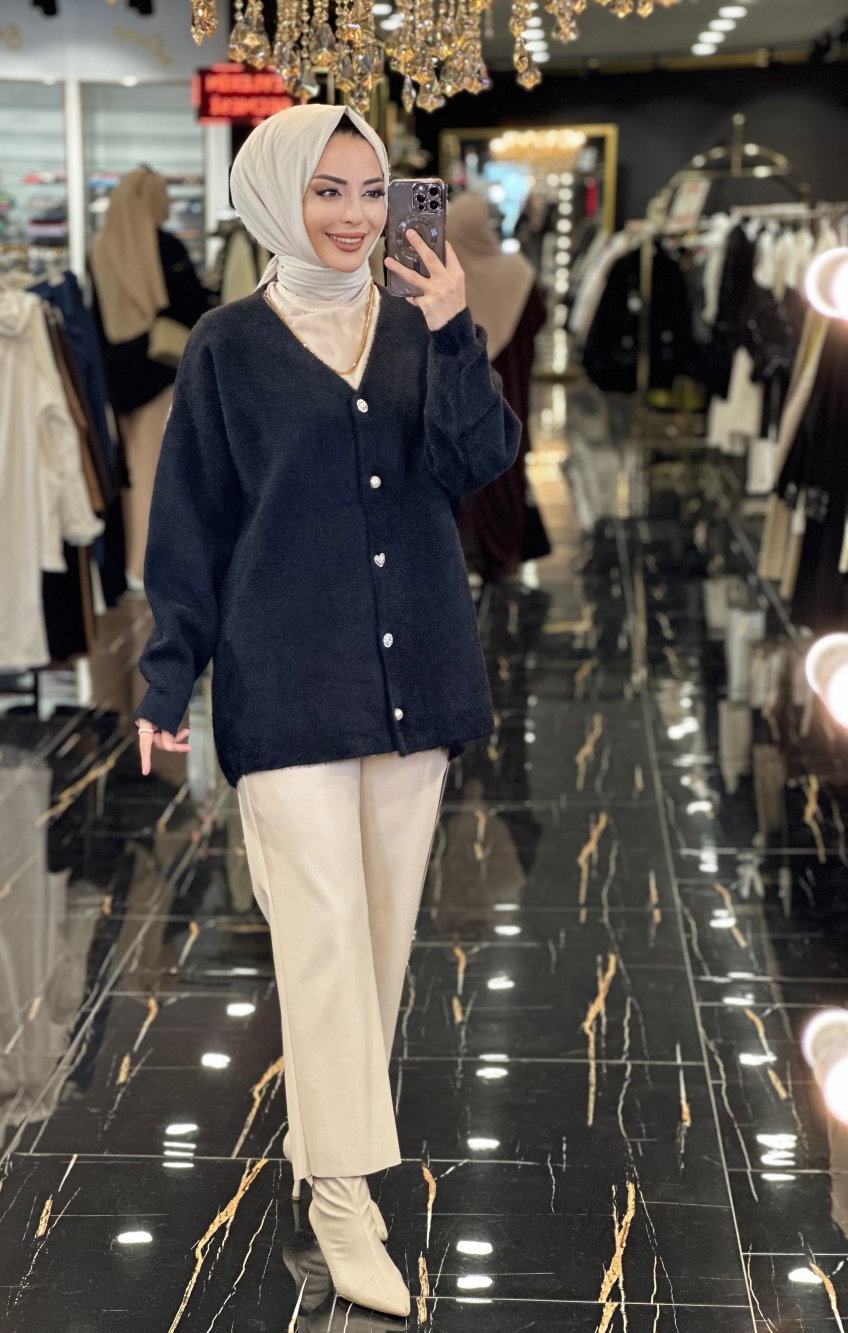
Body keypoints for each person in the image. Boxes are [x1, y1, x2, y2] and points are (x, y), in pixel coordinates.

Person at [133, 104, 520, 1319]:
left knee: (383, 940)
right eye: (326, 191)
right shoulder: (227, 347)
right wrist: (165, 675)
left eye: (369, 190)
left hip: (415, 682)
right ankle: (343, 1200)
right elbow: (190, 524)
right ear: (274, 197)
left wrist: (455, 333)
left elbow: (481, 464)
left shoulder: (416, 324)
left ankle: (331, 1155)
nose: (353, 216)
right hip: (286, 680)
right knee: (321, 940)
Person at [90, 167, 212, 590]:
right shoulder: (165, 246)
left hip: (116, 374)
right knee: (158, 471)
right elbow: (193, 307)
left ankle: (133, 562)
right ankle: (151, 565)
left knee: (130, 470)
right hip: (159, 368)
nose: (169, 203)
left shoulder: (101, 246)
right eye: (163, 195)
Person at [448, 191, 549, 584]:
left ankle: (471, 553)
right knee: (506, 468)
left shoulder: (446, 284)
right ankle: (504, 551)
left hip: (461, 398)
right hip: (510, 394)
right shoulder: (518, 272)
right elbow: (538, 318)